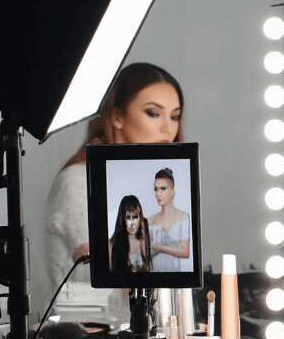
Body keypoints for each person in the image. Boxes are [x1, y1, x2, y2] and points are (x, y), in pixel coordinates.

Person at [45, 61, 184, 296]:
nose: (167, 128)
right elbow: (119, 275)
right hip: (94, 330)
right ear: (117, 116)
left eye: (175, 116)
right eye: (153, 113)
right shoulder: (78, 182)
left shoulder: (153, 188)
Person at [148, 168, 191, 270]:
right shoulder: (150, 220)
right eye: (156, 189)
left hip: (175, 280)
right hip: (153, 280)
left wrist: (159, 247)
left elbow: (186, 252)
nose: (158, 194)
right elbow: (145, 254)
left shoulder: (183, 217)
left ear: (172, 190)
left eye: (163, 188)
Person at [109, 196, 152, 273]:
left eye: (135, 217)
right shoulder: (111, 244)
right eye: (128, 218)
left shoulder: (144, 241)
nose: (132, 223)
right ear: (122, 219)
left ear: (139, 218)